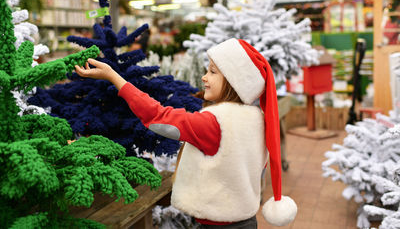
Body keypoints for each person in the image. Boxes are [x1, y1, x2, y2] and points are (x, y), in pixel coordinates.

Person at [74, 38, 297, 228]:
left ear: (233, 82)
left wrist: (114, 77)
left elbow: (158, 116)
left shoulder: (214, 123)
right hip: (247, 220)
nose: (204, 77)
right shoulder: (257, 117)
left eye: (212, 72)